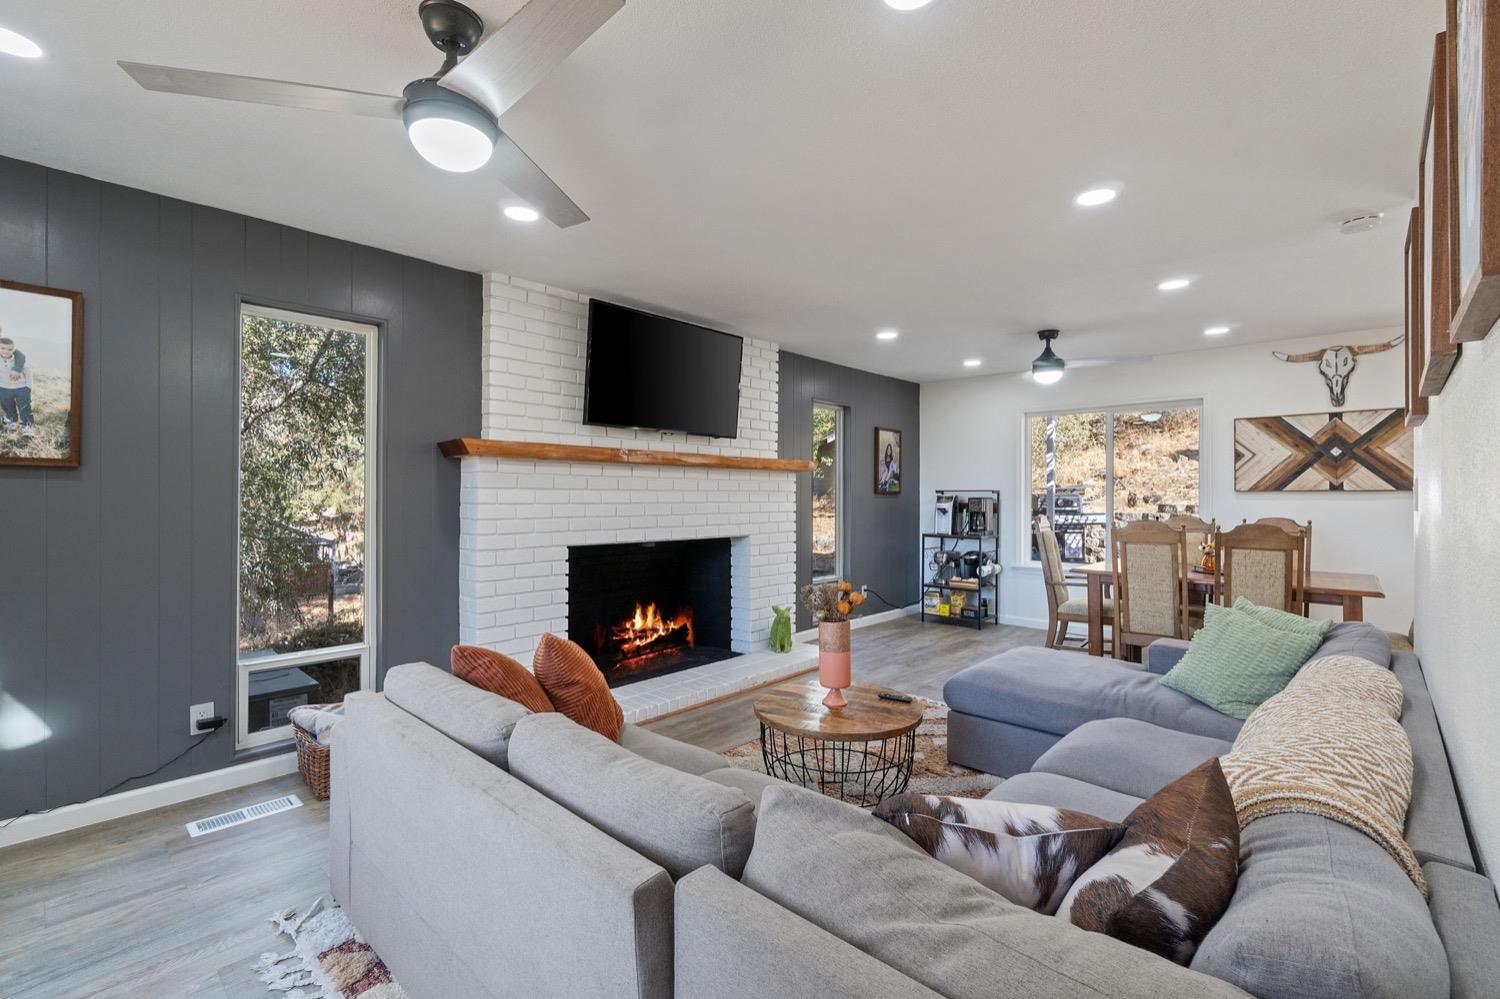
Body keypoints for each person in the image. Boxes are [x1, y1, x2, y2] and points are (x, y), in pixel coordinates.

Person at [0, 334, 35, 438]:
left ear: (13, 349)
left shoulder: (18, 360)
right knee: (8, 406)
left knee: (24, 407)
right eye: (2, 348)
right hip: (3, 388)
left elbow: (28, 372)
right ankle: (12, 421)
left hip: (21, 388)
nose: (6, 351)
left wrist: (28, 387)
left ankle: (27, 427)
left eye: (9, 349)